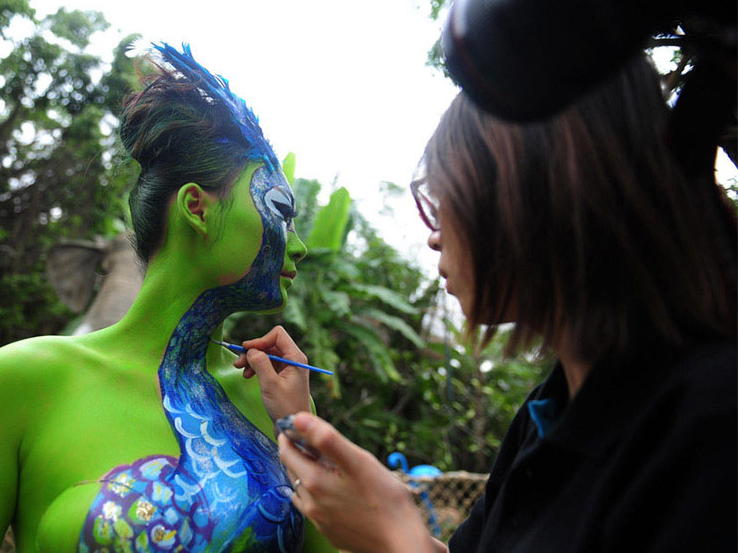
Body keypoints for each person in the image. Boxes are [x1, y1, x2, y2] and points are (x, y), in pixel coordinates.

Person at [235, 53, 737, 552]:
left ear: (535, 194)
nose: (435, 236)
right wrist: (300, 424)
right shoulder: (548, 413)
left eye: (448, 198)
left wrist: (393, 536)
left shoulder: (713, 418)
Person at [0, 44, 335, 552]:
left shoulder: (275, 400)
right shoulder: (22, 381)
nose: (299, 245)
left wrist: (303, 433)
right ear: (197, 209)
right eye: (279, 213)